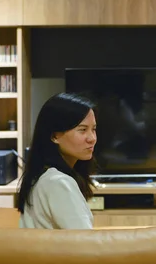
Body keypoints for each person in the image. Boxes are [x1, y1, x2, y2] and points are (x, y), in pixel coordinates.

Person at [17, 92, 97, 229]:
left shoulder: (44, 175)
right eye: (82, 130)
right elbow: (86, 243)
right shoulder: (58, 183)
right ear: (55, 136)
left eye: (94, 129)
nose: (92, 138)